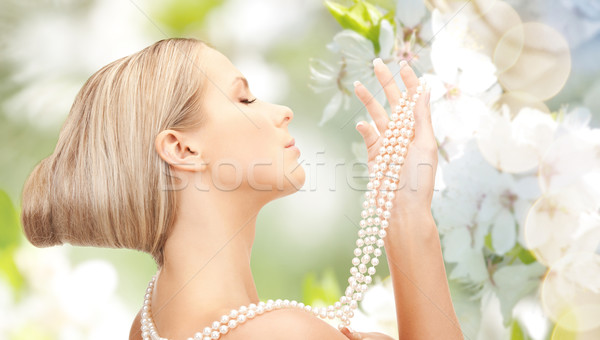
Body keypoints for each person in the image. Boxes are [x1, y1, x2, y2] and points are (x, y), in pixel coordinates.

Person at [20, 38, 463, 340]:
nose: (283, 111)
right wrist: (409, 218)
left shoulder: (152, 319)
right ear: (182, 148)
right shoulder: (283, 333)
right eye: (245, 98)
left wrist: (399, 206)